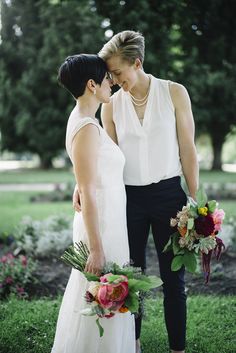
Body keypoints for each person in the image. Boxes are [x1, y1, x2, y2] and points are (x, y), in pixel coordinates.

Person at [73, 31, 199, 353]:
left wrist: (194, 204)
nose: (112, 80)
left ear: (137, 63)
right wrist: (78, 182)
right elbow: (102, 156)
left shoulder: (174, 93)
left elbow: (188, 150)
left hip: (171, 196)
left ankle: (178, 348)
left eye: (116, 72)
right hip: (129, 200)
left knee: (175, 282)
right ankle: (135, 344)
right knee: (132, 278)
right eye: (108, 75)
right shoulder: (110, 107)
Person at [51, 54, 135, 353]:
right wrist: (97, 248)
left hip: (108, 222)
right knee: (100, 297)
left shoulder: (87, 121)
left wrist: (80, 184)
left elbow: (88, 174)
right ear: (92, 84)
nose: (111, 83)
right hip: (100, 228)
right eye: (106, 79)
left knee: (107, 297)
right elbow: (88, 187)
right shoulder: (86, 126)